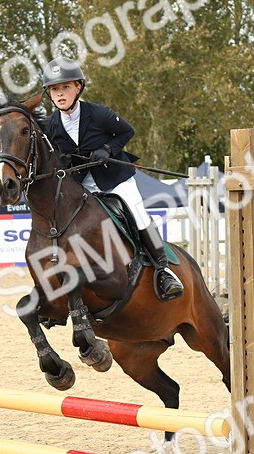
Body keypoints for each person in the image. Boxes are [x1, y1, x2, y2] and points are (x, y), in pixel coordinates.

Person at [39, 57, 184, 301]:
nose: (60, 93)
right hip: (82, 185)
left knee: (137, 213)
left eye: (65, 87)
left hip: (116, 180)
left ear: (78, 87)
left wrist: (107, 149)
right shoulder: (51, 125)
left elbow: (127, 131)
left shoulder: (98, 113)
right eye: (54, 89)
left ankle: (163, 270)